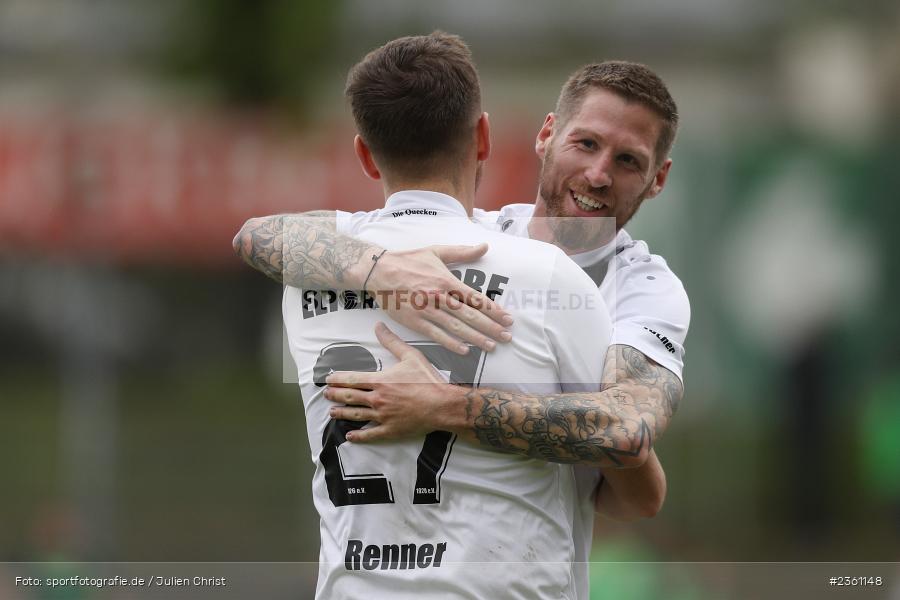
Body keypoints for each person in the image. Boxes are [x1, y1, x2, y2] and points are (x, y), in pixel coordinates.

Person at [268, 32, 661, 599]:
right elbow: (630, 472)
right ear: (483, 137)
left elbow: (261, 234)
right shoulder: (551, 276)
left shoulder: (309, 270)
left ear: (363, 153)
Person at [234, 61, 688, 468]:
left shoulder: (644, 287)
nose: (598, 174)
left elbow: (628, 430)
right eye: (585, 143)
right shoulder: (474, 234)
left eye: (628, 160)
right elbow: (257, 236)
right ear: (546, 134)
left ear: (658, 179)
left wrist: (442, 407)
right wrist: (379, 269)